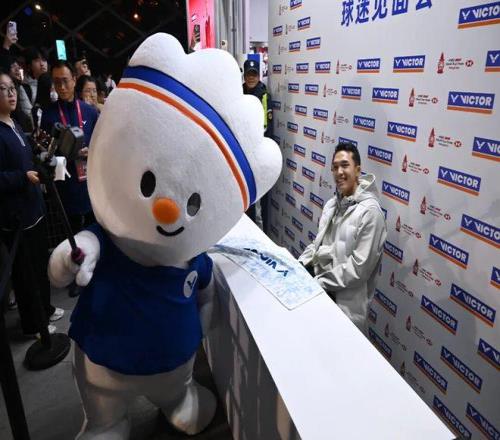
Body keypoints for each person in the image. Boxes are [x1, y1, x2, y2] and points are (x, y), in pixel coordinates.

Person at [299, 143, 387, 331]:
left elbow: (358, 270)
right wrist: (299, 265)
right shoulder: (332, 204)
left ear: (358, 170)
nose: (339, 172)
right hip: (320, 292)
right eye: (335, 167)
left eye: (345, 165)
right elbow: (317, 245)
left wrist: (318, 282)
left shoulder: (371, 213)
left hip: (345, 308)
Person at [0, 71, 63, 334]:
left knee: (39, 265)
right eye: (3, 89)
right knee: (25, 273)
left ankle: (45, 310)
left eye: (12, 87)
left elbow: (27, 160)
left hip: (33, 209)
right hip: (16, 217)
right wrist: (22, 177)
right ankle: (34, 324)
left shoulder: (14, 123)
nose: (11, 93)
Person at [41, 61, 98, 235]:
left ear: (74, 79)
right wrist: (63, 154)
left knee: (95, 233)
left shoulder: (89, 112)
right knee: (71, 236)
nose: (62, 86)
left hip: (91, 184)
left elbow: (101, 144)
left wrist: (92, 151)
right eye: (57, 82)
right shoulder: (48, 114)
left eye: (65, 80)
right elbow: (45, 152)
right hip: (66, 185)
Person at [242, 59, 273, 233]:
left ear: (258, 76)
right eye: (248, 74)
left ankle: (263, 233)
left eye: (254, 74)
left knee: (261, 198)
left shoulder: (263, 94)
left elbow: (267, 127)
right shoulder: (239, 92)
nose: (251, 78)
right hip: (243, 153)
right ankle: (249, 230)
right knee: (248, 196)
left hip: (259, 152)